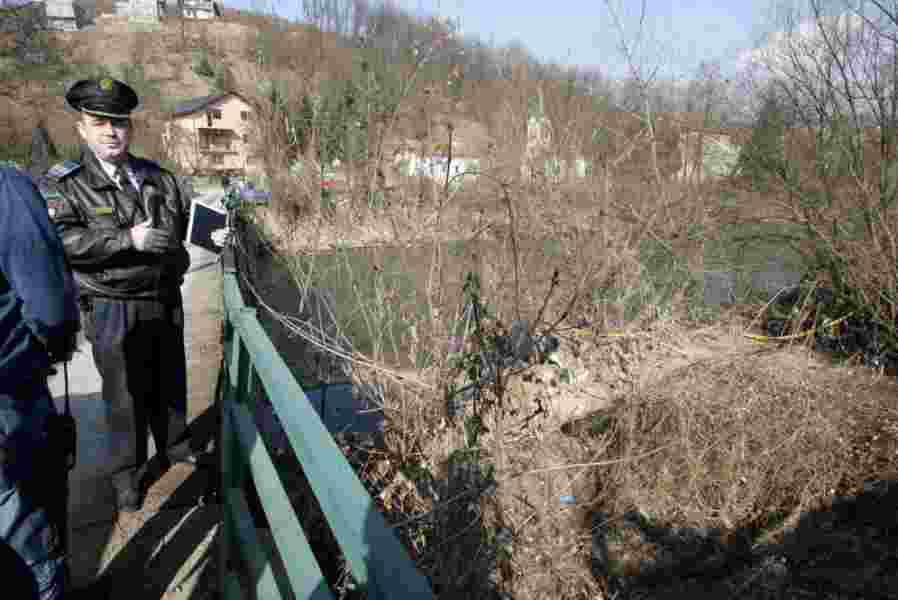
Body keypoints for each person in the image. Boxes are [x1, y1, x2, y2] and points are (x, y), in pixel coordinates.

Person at [46, 78, 197, 513]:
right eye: (100, 123)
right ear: (82, 129)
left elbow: (186, 221)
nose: (111, 132)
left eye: (119, 123)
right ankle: (127, 475)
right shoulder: (66, 184)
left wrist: (216, 235)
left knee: (170, 379)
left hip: (163, 295)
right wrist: (127, 238)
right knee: (124, 394)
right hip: (111, 301)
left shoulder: (157, 176)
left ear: (130, 128)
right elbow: (64, 241)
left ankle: (176, 445)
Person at [0, 165, 80, 600]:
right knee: (26, 521)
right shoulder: (5, 187)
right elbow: (50, 305)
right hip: (11, 389)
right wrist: (53, 345)